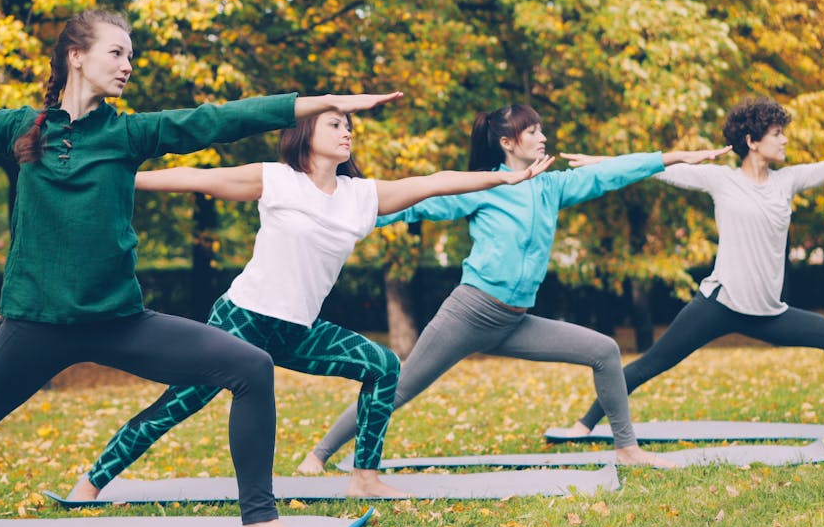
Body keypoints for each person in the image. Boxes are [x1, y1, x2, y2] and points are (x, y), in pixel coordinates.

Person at [0, 9, 402, 527]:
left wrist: (320, 103)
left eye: (131, 55)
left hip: (118, 323)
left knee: (250, 367)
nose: (128, 64)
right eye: (117, 52)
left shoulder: (128, 133)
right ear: (76, 57)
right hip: (35, 328)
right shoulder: (19, 129)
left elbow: (218, 119)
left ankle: (259, 523)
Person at [68, 110, 555, 502]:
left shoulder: (361, 196)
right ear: (305, 132)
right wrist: (119, 182)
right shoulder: (278, 180)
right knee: (177, 406)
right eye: (335, 124)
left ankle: (364, 476)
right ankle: (91, 483)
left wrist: (503, 182)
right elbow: (198, 177)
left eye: (349, 126)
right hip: (243, 319)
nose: (346, 132)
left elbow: (433, 182)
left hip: (298, 330)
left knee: (383, 366)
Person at [302, 104, 730, 472]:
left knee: (604, 351)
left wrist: (674, 158)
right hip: (469, 313)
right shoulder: (482, 185)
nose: (543, 137)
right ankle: (318, 455)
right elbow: (415, 203)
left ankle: (627, 449)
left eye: (540, 130)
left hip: (515, 320)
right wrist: (341, 213)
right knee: (399, 387)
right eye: (533, 131)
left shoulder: (551, 186)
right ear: (508, 142)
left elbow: (612, 173)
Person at [564, 97, 824, 440]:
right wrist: (599, 163)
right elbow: (653, 167)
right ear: (751, 141)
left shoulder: (789, 182)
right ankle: (585, 423)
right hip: (717, 305)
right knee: (651, 363)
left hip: (768, 313)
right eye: (776, 133)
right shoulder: (719, 179)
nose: (784, 140)